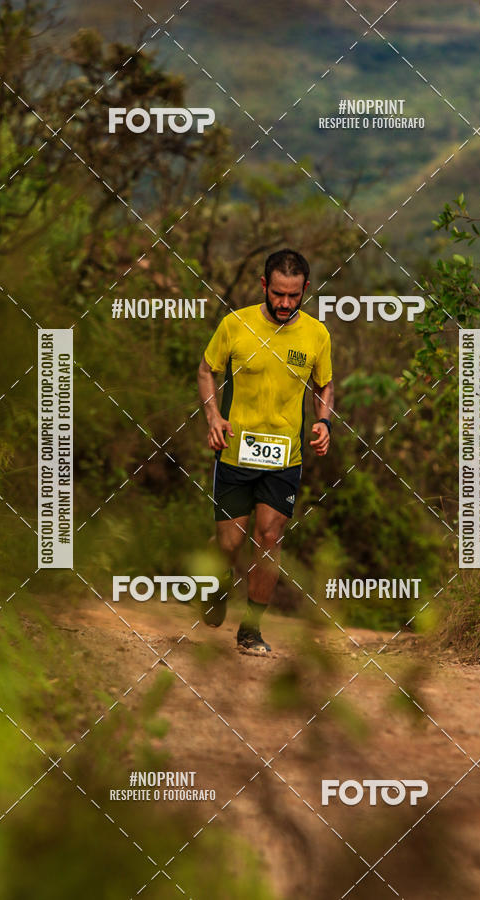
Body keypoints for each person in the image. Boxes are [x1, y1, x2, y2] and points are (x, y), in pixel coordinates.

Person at [197, 249, 334, 655]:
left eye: (294, 296)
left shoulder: (316, 334)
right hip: (235, 452)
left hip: (284, 457)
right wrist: (213, 417)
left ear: (305, 290)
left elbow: (324, 384)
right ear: (263, 286)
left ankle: (251, 630)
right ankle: (215, 584)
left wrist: (324, 421)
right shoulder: (235, 324)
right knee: (229, 543)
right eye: (278, 294)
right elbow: (207, 370)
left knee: (269, 537)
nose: (285, 304)